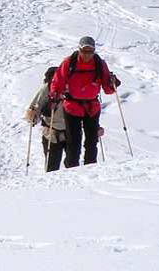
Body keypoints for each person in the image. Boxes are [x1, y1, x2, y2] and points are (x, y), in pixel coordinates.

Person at [49, 35, 120, 168]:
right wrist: (54, 95)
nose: (87, 55)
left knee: (92, 141)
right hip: (72, 107)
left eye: (90, 51)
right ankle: (71, 169)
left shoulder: (99, 64)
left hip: (92, 107)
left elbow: (107, 89)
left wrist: (112, 83)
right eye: (84, 51)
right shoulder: (69, 62)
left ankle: (91, 170)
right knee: (73, 142)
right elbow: (58, 81)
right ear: (79, 49)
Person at [25, 66, 66, 172]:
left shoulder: (67, 87)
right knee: (53, 166)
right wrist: (33, 116)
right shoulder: (46, 89)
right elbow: (35, 106)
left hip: (67, 130)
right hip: (52, 132)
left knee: (70, 164)